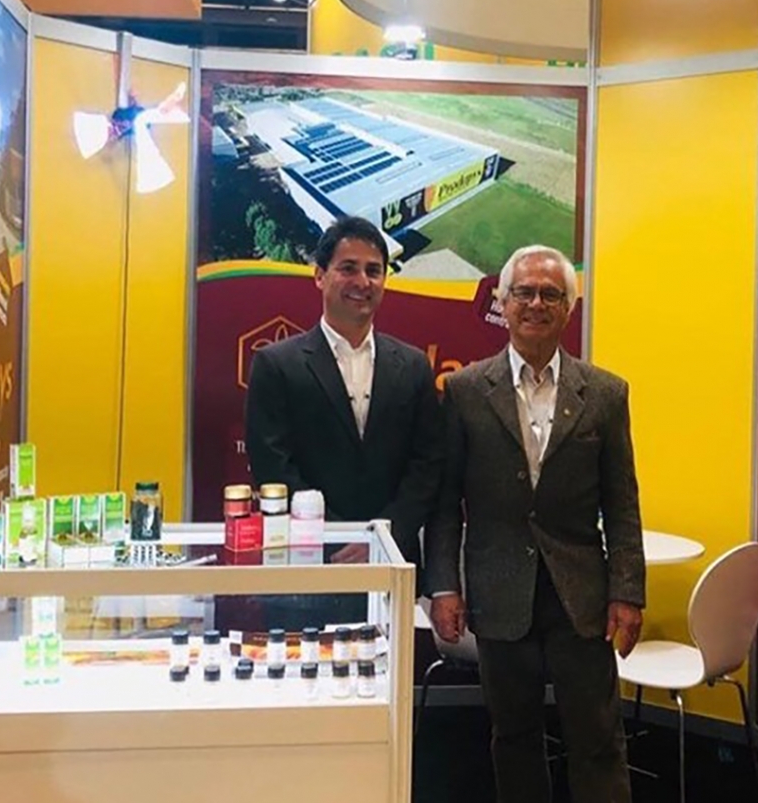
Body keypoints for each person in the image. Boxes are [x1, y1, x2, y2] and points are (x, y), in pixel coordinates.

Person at [425, 245, 646, 803]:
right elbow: (446, 502)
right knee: (514, 736)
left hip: (581, 597)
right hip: (498, 589)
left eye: (551, 294)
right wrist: (444, 587)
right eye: (523, 292)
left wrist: (627, 592)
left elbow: (622, 503)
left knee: (597, 738)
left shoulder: (605, 393)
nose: (536, 304)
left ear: (569, 307)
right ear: (502, 303)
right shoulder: (466, 391)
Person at [243, 214, 444, 566]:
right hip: (309, 561)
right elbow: (272, 466)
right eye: (348, 268)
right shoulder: (276, 365)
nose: (362, 281)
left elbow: (427, 466)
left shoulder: (413, 366)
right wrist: (338, 538)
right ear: (319, 275)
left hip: (393, 561)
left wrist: (383, 537)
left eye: (373, 271)